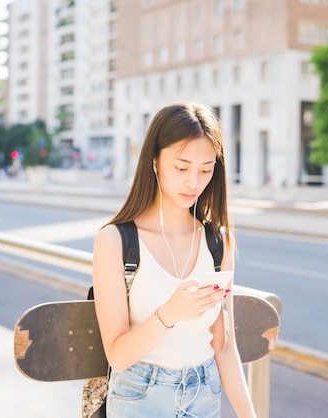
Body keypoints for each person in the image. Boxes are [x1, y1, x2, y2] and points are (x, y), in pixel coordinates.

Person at [92, 103, 256, 417]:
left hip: (204, 394)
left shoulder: (218, 242)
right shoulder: (116, 241)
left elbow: (223, 346)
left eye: (206, 169)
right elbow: (117, 355)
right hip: (140, 397)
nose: (194, 182)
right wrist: (169, 313)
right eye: (181, 168)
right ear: (155, 161)